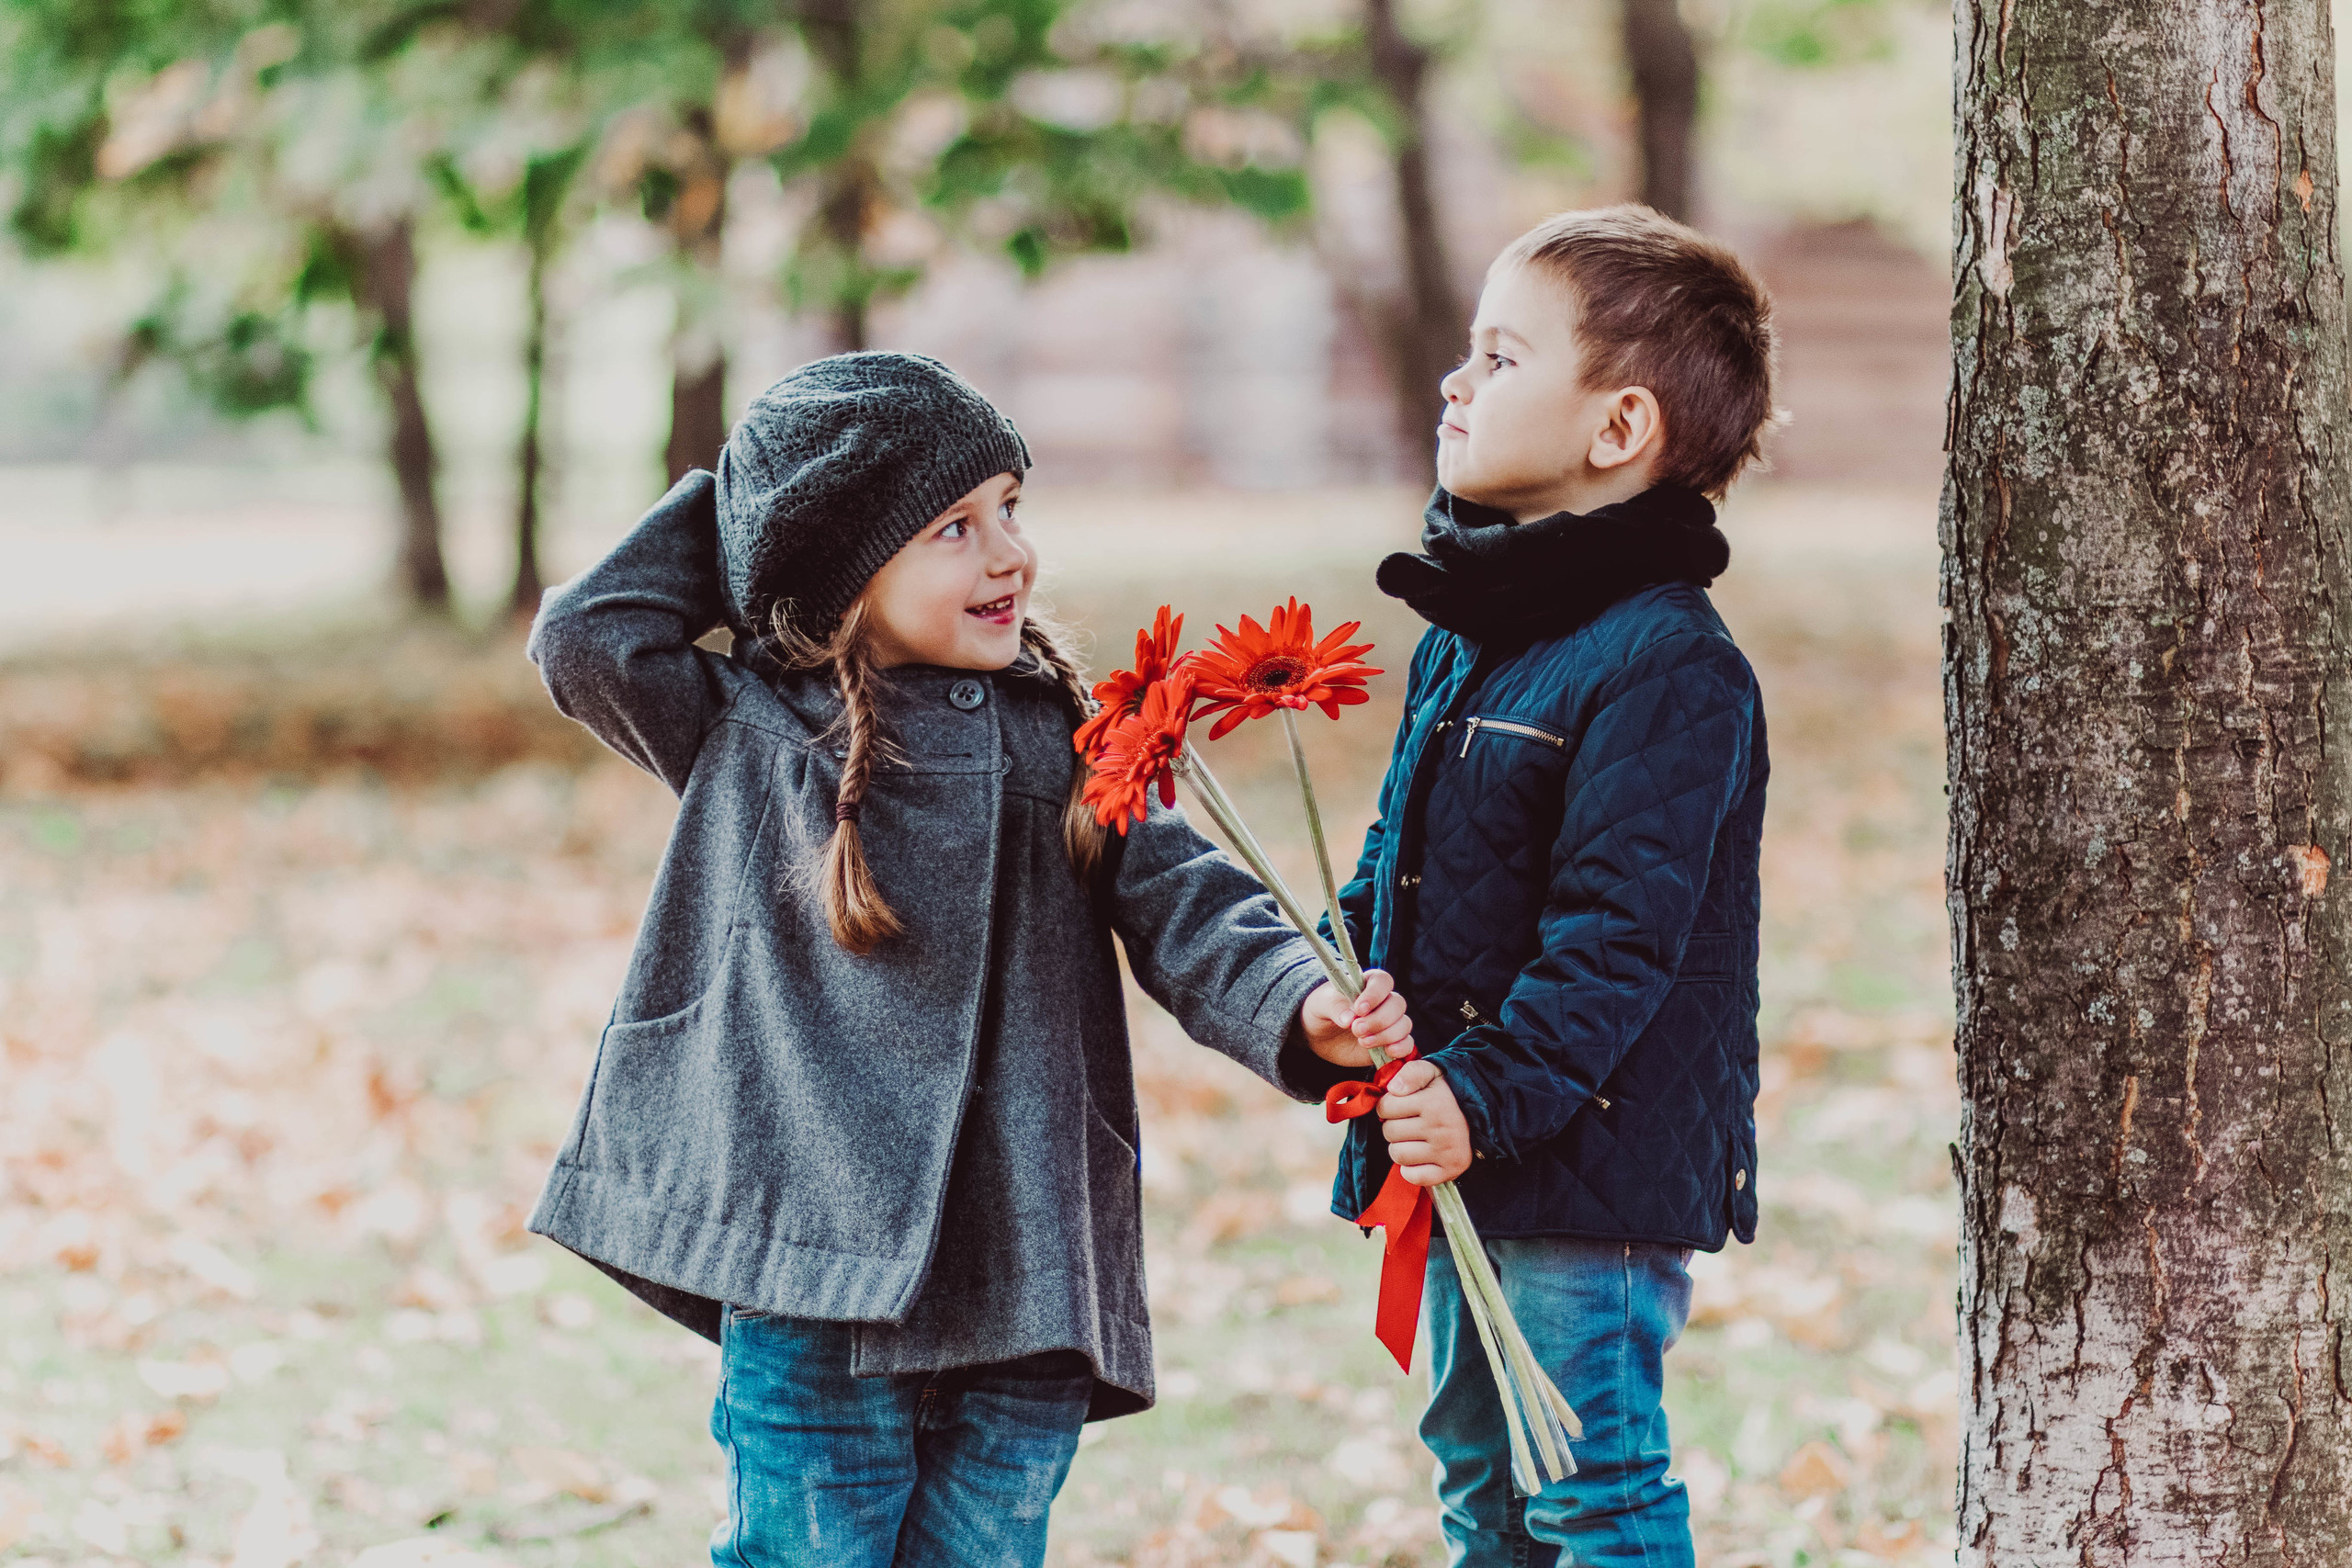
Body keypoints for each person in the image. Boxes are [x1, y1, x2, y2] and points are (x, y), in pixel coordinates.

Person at [520, 351, 1414, 1568]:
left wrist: (1302, 1002)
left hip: (1026, 1267)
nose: (1009, 556)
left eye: (1012, 509)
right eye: (952, 526)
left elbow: (1190, 902)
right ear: (840, 562)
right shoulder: (749, 730)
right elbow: (587, 633)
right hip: (814, 1267)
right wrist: (765, 508)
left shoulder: (1068, 732)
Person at [1311, 205, 1776, 1567]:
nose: (1457, 382)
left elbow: (1617, 945)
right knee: (1482, 1480)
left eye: (1501, 359)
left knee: (1588, 1483)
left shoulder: (1669, 666)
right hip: (1459, 1145)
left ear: (1617, 429)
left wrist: (1479, 1095)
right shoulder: (1474, 634)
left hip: (1591, 1168)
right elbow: (1397, 865)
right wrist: (1342, 981)